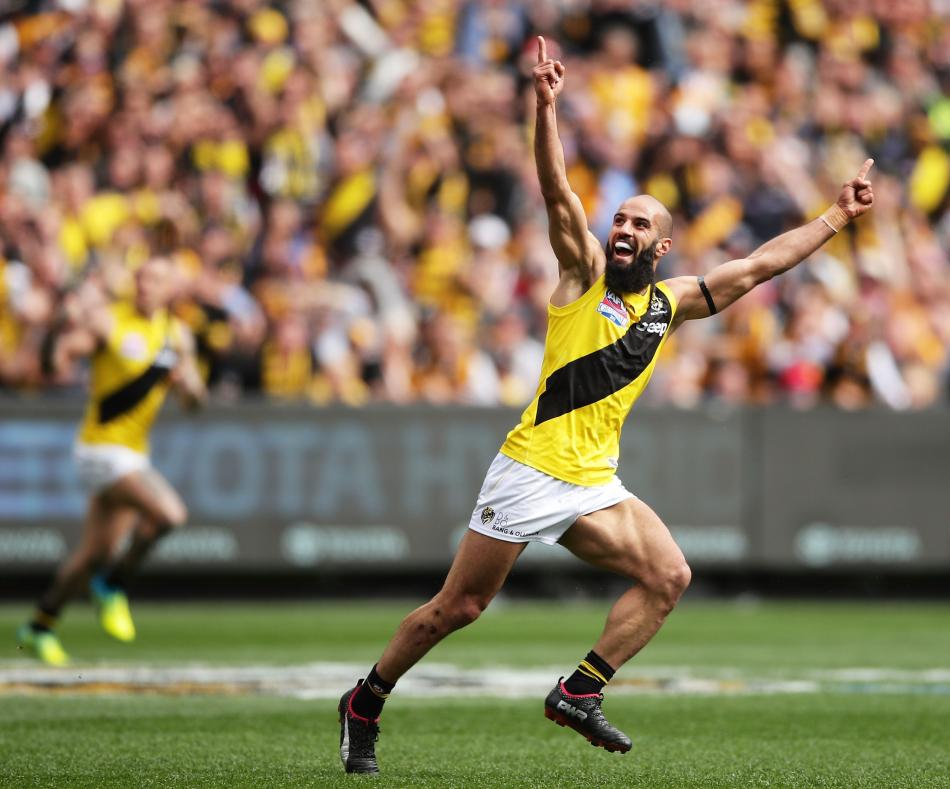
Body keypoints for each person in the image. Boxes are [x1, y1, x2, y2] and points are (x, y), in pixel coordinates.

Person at [336, 36, 875, 774]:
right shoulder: (581, 274)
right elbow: (558, 191)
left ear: (663, 245)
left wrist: (836, 219)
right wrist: (545, 106)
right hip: (530, 468)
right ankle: (365, 699)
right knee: (456, 609)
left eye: (638, 225)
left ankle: (578, 691)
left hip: (592, 482)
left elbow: (758, 265)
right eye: (619, 220)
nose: (622, 229)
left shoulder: (671, 302)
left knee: (670, 577)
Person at [15, 256, 207, 666]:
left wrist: (188, 383)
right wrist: (54, 327)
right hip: (100, 451)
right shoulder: (108, 321)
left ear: (170, 289)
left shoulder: (177, 335)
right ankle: (113, 584)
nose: (144, 285)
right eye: (140, 278)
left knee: (92, 553)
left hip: (131, 454)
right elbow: (53, 364)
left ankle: (39, 625)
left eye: (155, 279)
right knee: (170, 514)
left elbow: (194, 403)